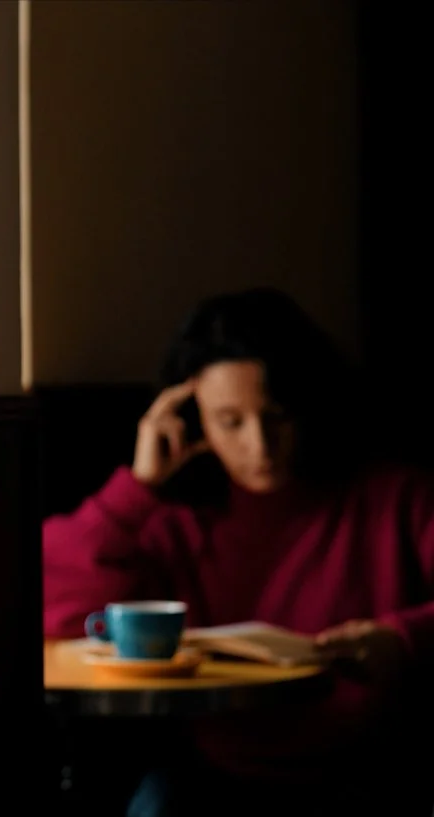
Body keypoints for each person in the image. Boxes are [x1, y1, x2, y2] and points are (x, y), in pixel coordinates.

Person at [43, 287, 434, 816]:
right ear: (193, 418)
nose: (260, 445)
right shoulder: (174, 522)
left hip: (373, 772)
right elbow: (55, 611)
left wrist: (402, 641)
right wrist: (135, 489)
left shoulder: (395, 497)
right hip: (212, 774)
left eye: (278, 416)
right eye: (231, 421)